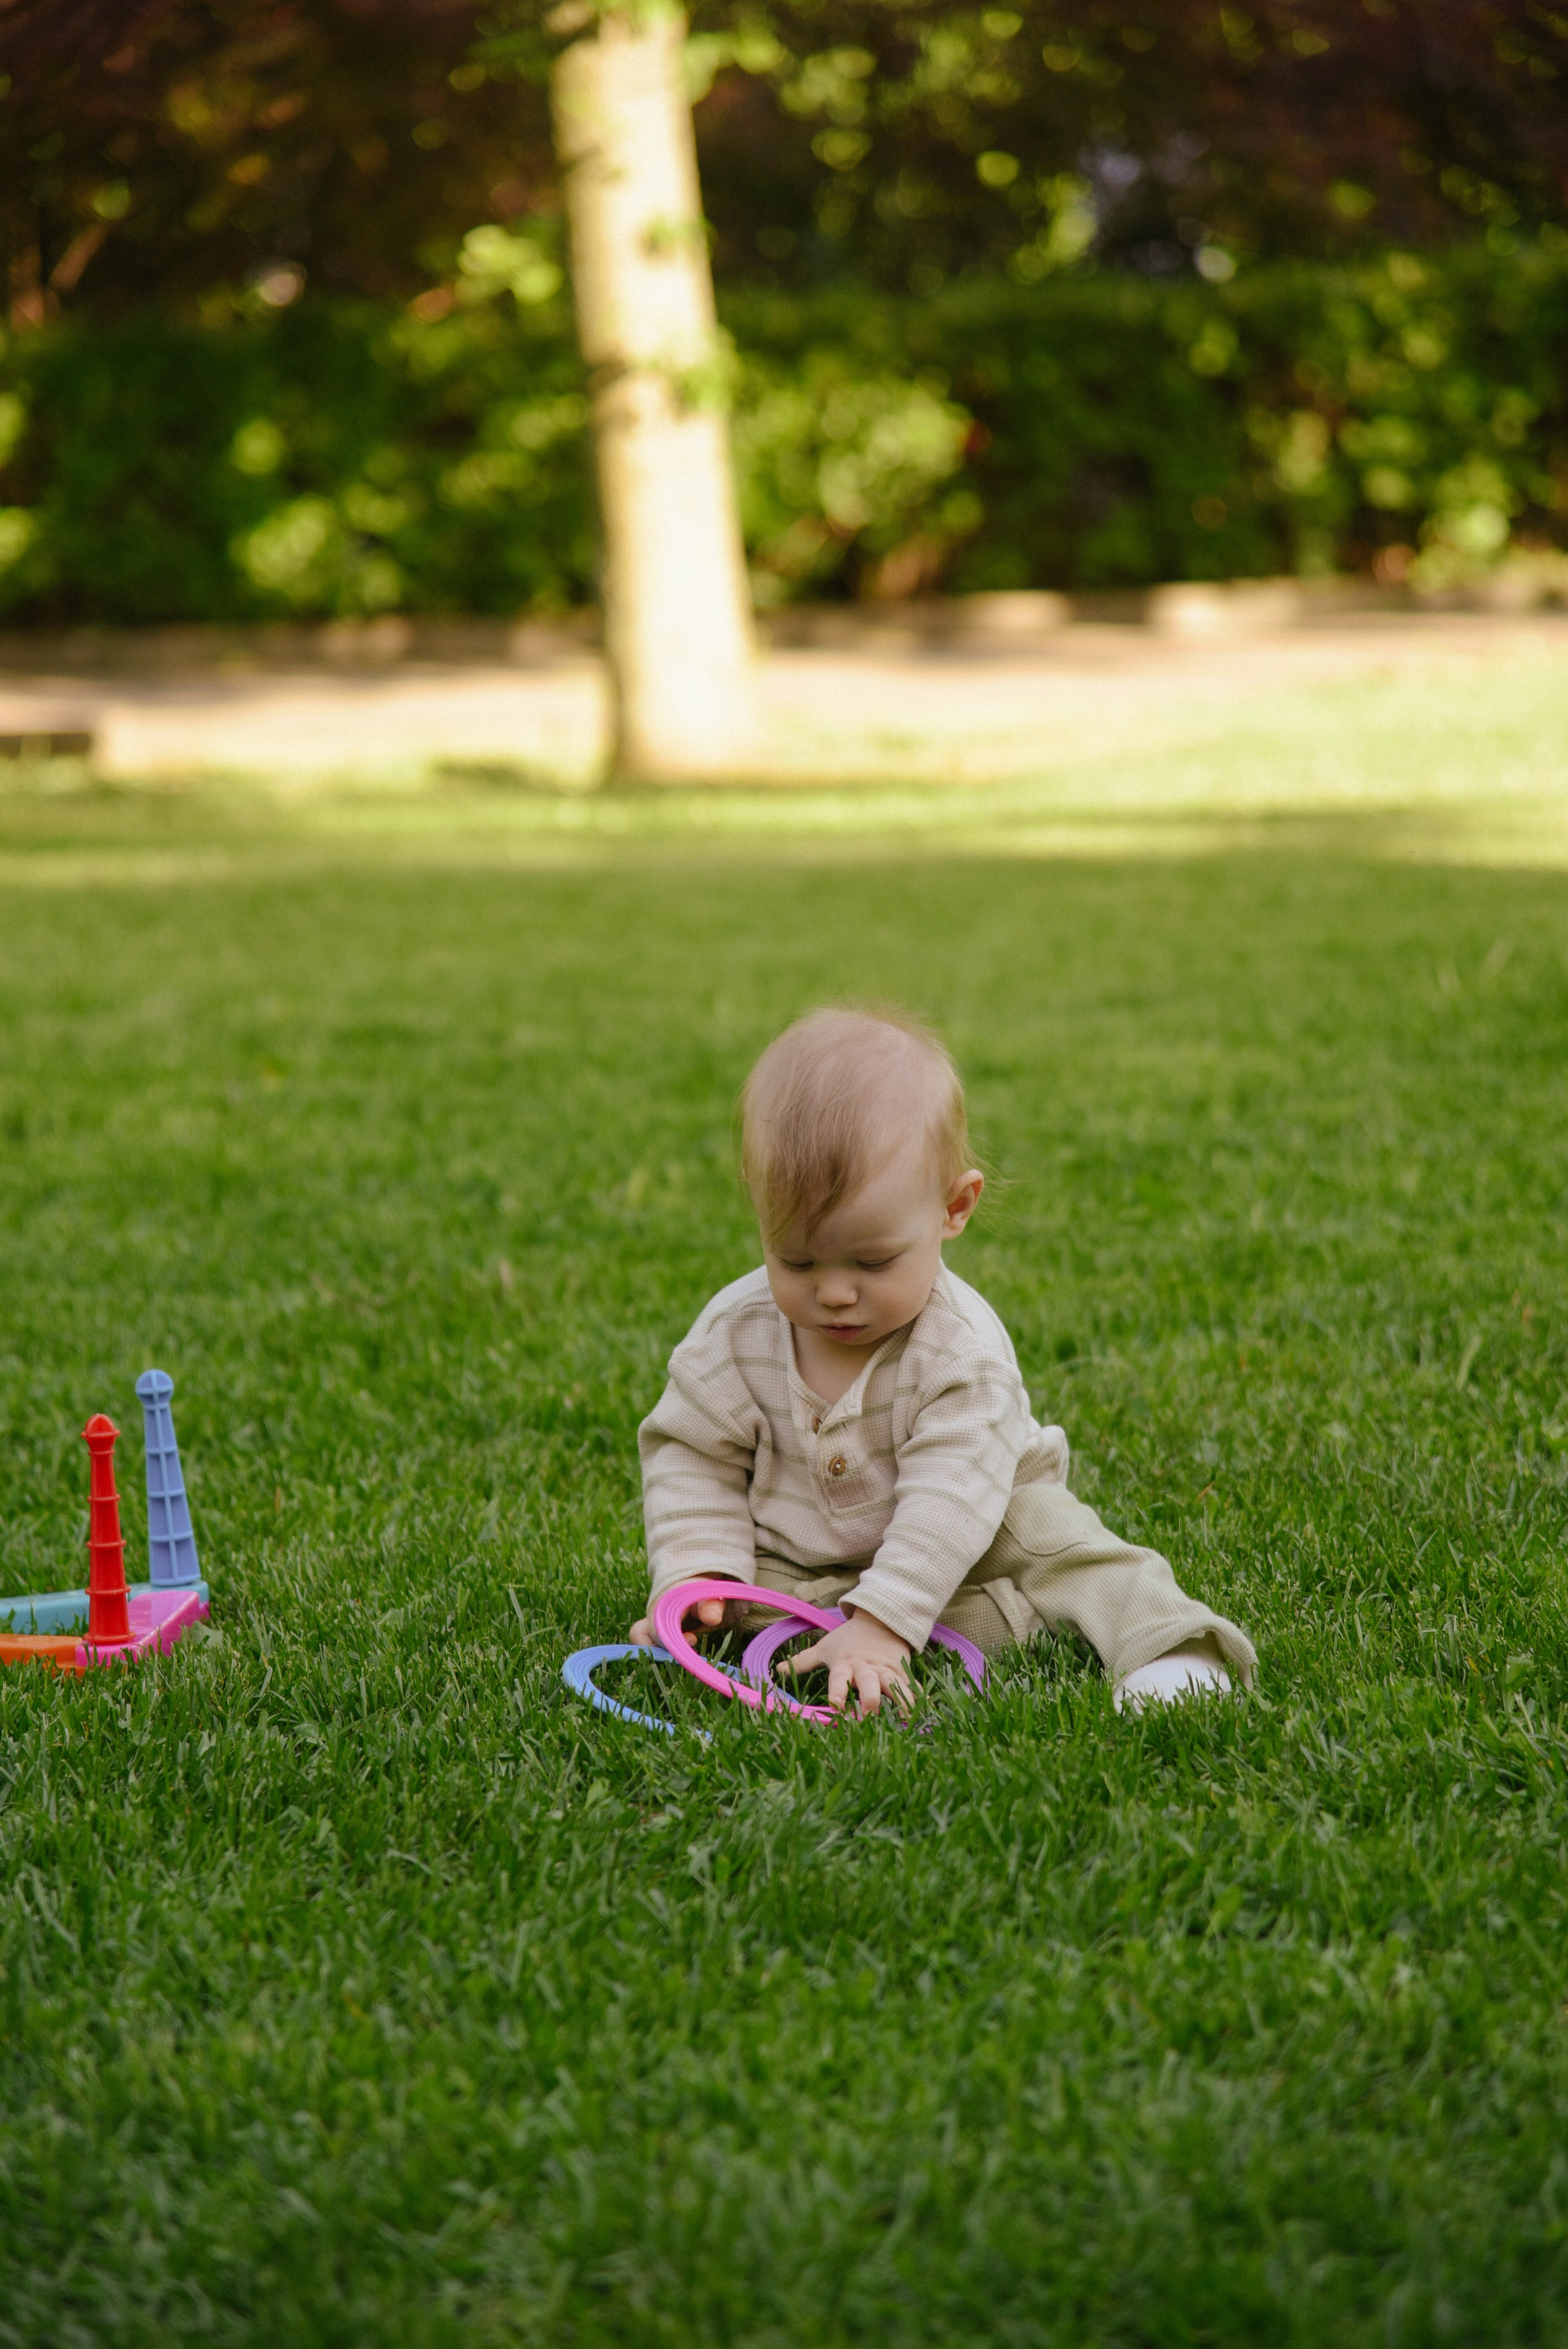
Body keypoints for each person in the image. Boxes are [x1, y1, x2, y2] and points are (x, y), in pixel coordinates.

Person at [630, 1006, 1257, 1717]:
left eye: (873, 1261)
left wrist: (884, 1619)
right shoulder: (732, 1335)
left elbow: (948, 1502)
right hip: (801, 1546)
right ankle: (991, 1621)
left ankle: (1174, 1651)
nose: (833, 1292)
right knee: (751, 1607)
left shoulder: (961, 1352)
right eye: (796, 1260)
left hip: (980, 1514)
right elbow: (693, 1454)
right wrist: (699, 1573)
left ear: (953, 1208)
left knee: (1071, 1551)